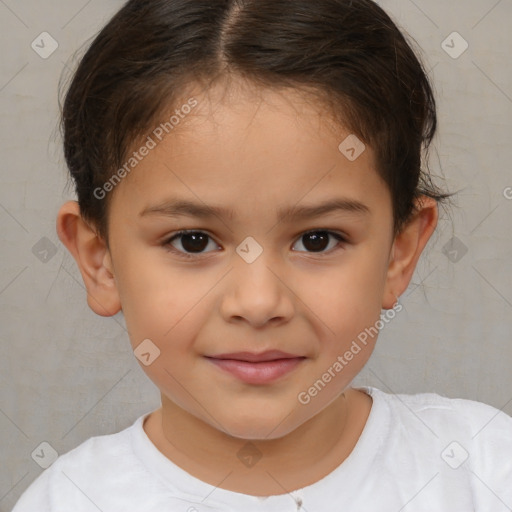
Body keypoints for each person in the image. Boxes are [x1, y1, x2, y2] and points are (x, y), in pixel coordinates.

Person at [12, 0, 512, 510]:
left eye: (317, 240)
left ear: (397, 254)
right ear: (100, 261)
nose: (257, 302)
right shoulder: (69, 501)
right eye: (192, 240)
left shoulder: (485, 470)